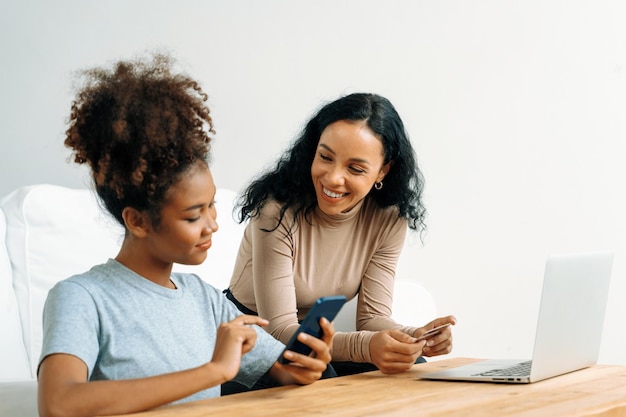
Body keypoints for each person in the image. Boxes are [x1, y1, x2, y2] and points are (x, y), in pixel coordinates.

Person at [37, 54, 335, 417]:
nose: (212, 224)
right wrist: (213, 372)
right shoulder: (81, 298)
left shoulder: (204, 301)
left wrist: (307, 365)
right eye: (194, 215)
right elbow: (58, 404)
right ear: (138, 221)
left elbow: (283, 371)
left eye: (211, 206)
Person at [225, 92, 456, 376]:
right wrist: (368, 347)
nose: (333, 178)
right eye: (325, 157)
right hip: (251, 336)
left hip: (316, 339)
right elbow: (281, 330)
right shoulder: (276, 212)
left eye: (355, 168)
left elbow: (372, 318)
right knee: (322, 375)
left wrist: (414, 338)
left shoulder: (388, 219)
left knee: (410, 367)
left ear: (383, 171)